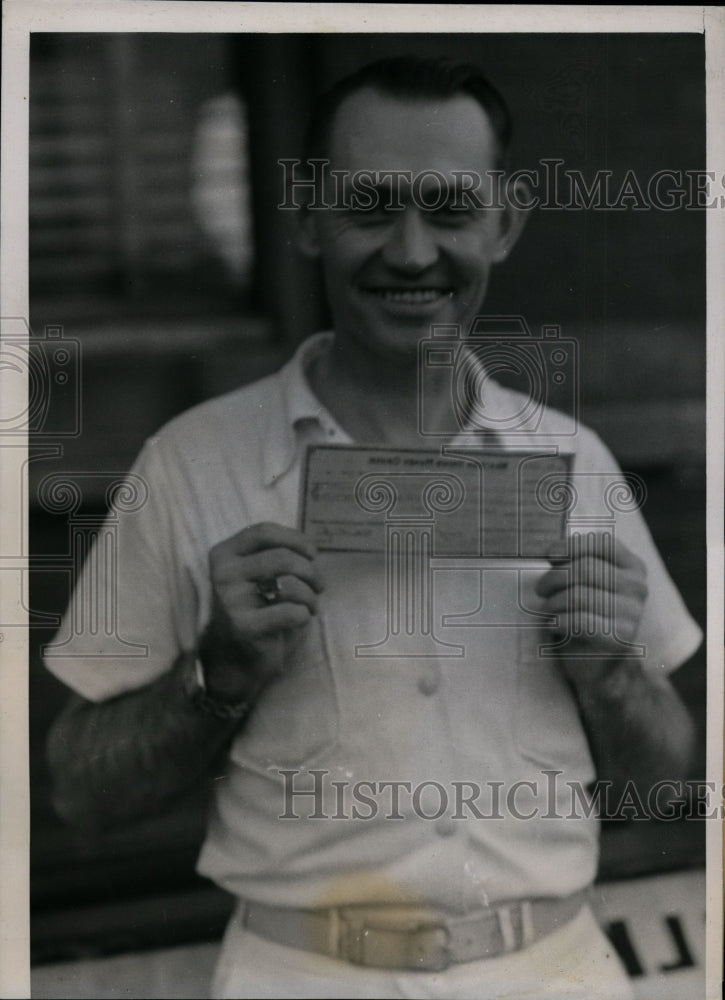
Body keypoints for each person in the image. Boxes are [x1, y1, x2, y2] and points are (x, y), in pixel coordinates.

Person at [45, 57, 702, 999]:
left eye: (448, 209)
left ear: (503, 223)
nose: (408, 251)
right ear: (308, 216)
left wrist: (610, 677)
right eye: (370, 206)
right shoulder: (190, 464)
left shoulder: (576, 459)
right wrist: (214, 680)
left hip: (555, 970)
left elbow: (672, 786)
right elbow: (78, 794)